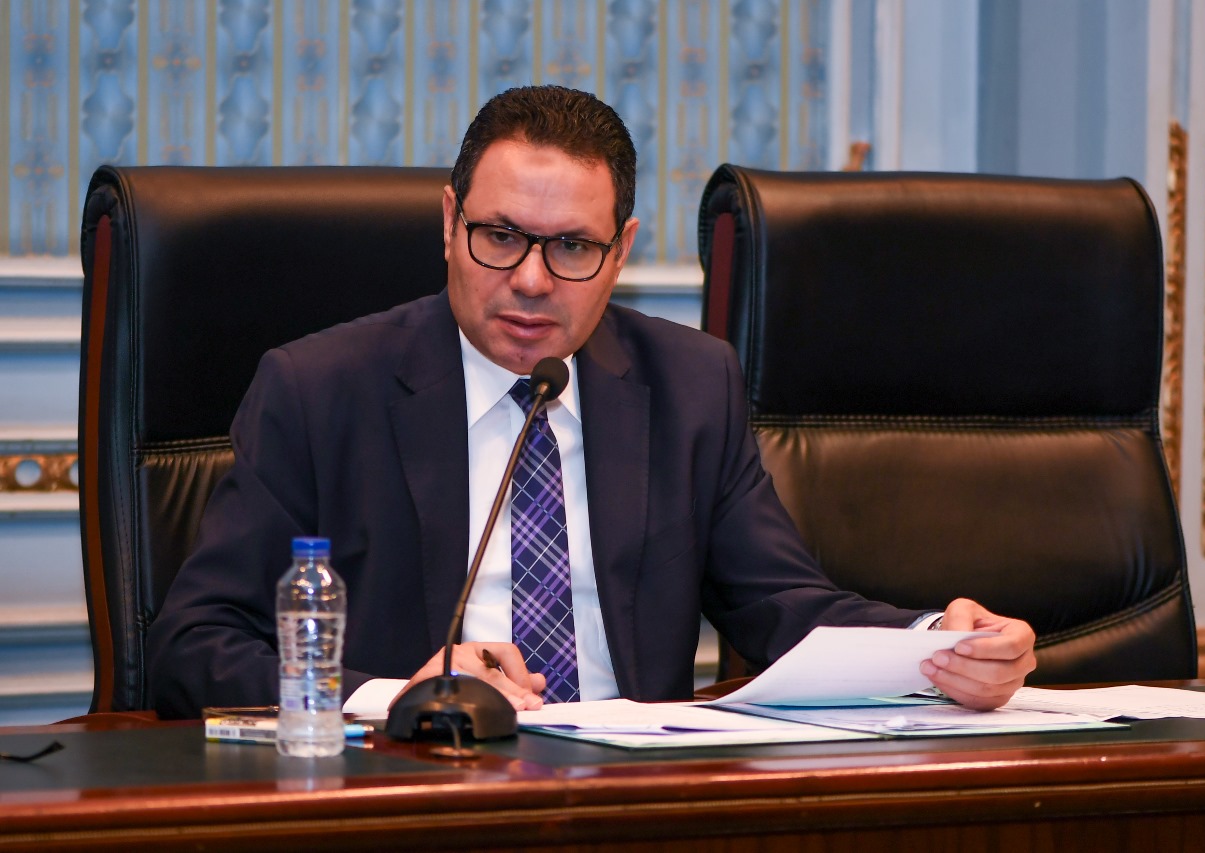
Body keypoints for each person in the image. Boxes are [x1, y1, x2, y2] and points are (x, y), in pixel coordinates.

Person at [146, 85, 1035, 720]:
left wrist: (941, 642)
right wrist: (396, 695)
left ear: (622, 251)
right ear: (449, 223)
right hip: (417, 791)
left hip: (635, 799)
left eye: (572, 246)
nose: (532, 280)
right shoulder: (317, 389)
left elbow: (783, 607)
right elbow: (192, 644)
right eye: (501, 236)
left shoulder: (690, 385)